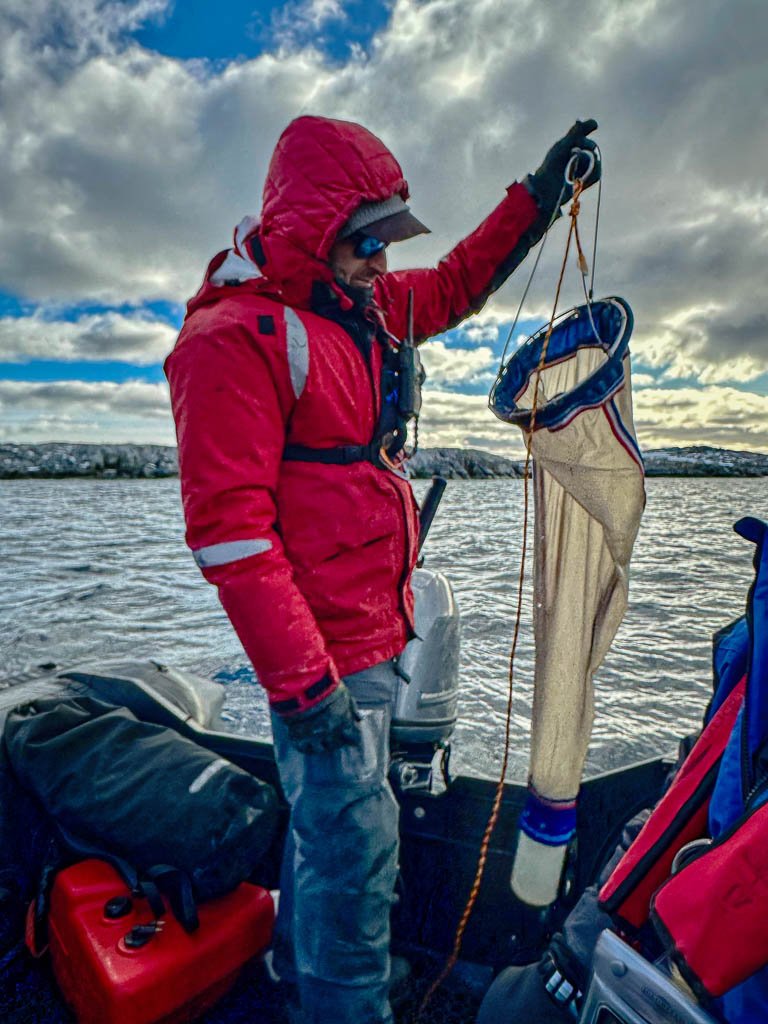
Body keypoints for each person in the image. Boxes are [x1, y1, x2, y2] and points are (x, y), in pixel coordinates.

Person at [164, 113, 600, 1024]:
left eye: (389, 239)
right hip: (319, 658)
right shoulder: (232, 339)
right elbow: (230, 536)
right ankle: (345, 1006)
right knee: (357, 847)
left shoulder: (363, 307)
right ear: (314, 231)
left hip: (374, 633)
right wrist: (304, 688)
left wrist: (538, 198)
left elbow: (459, 284)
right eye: (367, 241)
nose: (381, 260)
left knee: (333, 833)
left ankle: (297, 974)